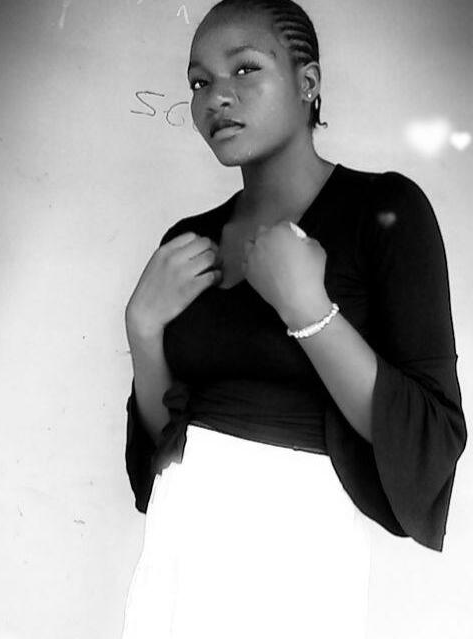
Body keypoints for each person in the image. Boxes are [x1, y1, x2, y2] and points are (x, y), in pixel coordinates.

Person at [121, 1, 467, 638]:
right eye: (199, 82)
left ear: (308, 83)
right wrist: (143, 330)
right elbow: (164, 444)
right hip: (180, 533)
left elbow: (432, 432)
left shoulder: (384, 211)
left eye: (244, 69)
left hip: (299, 544)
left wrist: (309, 310)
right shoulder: (189, 243)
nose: (216, 97)